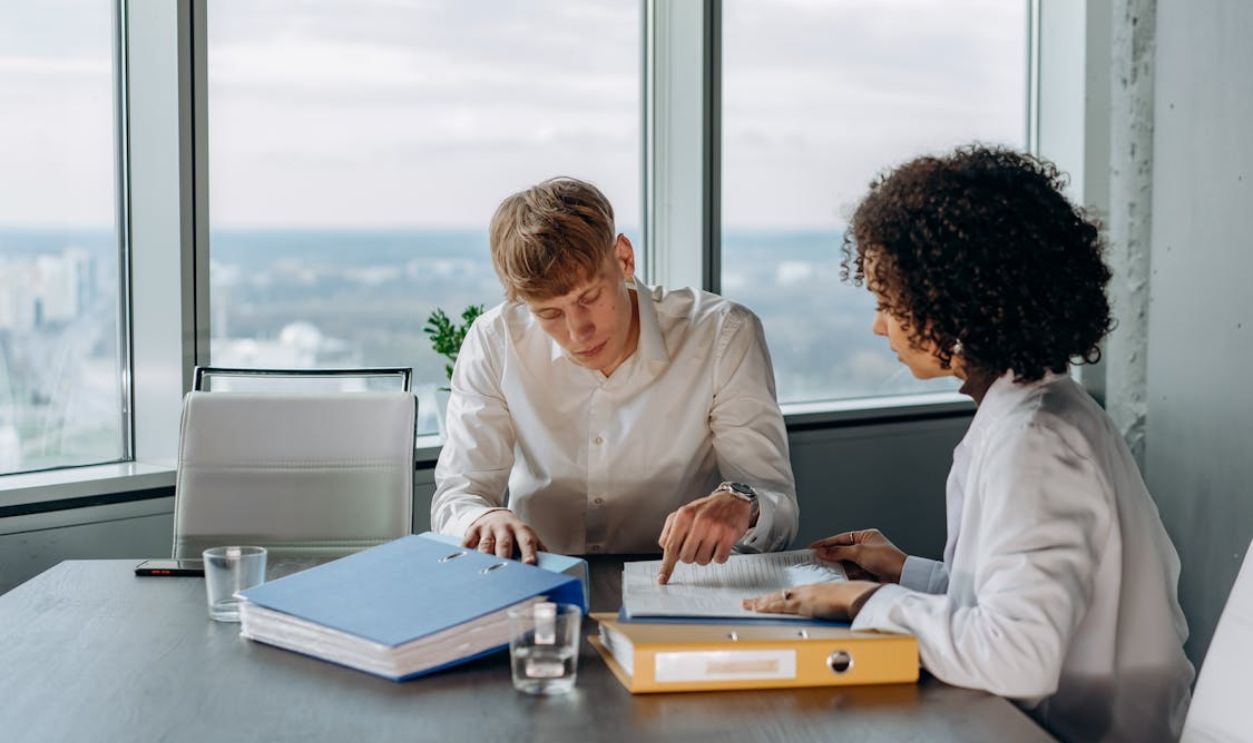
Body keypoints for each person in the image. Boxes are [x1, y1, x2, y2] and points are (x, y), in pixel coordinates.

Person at [743, 146, 1193, 742]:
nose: (878, 326)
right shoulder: (1042, 406)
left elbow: (1017, 657)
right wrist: (907, 573)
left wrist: (860, 605)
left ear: (956, 308)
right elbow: (1014, 602)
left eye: (886, 304)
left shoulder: (1034, 442)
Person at [431, 177, 797, 582]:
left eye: (588, 298)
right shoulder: (494, 340)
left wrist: (743, 503)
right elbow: (457, 495)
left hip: (678, 588)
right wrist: (484, 517)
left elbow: (777, 502)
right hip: (536, 587)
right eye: (549, 314)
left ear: (623, 257)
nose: (578, 331)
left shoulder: (723, 335)